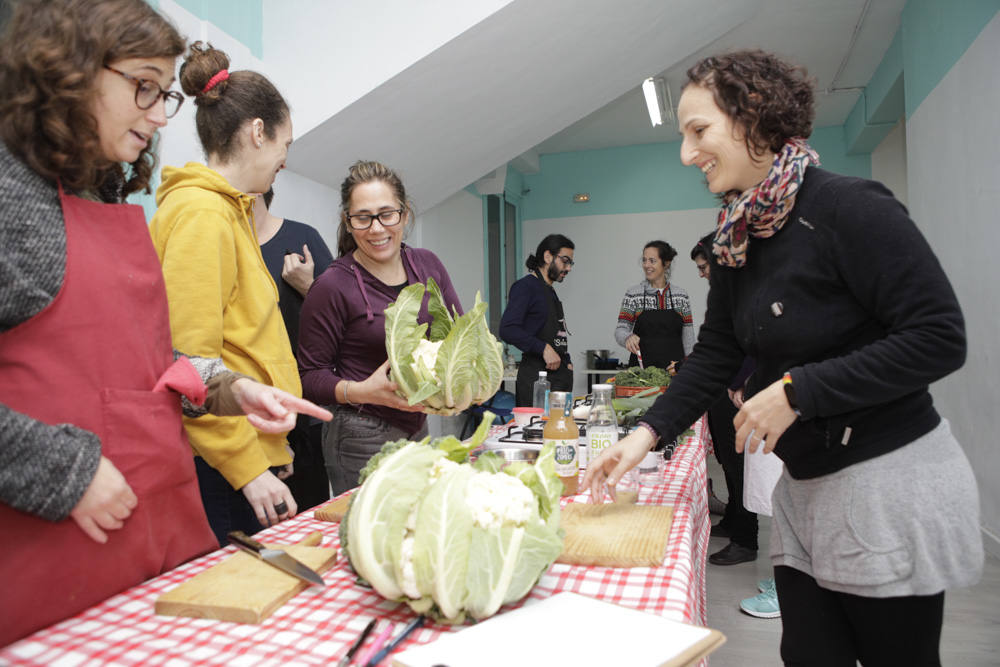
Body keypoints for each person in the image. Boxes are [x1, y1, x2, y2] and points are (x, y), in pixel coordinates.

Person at [584, 50, 982, 665]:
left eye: (698, 132)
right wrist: (645, 434)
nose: (688, 154)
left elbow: (938, 335)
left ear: (755, 120)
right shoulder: (740, 233)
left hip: (886, 481)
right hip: (809, 487)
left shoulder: (850, 208)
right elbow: (716, 353)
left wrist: (798, 390)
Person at [0, 0, 329, 645]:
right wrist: (64, 471)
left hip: (151, 533)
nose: (158, 113)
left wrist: (234, 391)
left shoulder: (101, 196)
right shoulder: (14, 203)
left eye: (164, 93)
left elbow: (158, 361)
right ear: (67, 73)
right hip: (56, 554)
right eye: (143, 87)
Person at [149, 42, 307, 545]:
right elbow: (189, 365)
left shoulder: (228, 211)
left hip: (242, 456)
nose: (284, 159)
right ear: (258, 132)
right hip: (218, 466)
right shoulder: (204, 215)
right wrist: (246, 467)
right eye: (285, 143)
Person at [298, 160, 463, 496]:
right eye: (363, 217)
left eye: (387, 214)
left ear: (404, 214)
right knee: (374, 539)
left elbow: (458, 335)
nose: (376, 228)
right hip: (359, 433)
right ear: (348, 221)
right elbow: (307, 376)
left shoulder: (428, 264)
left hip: (418, 423)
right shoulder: (332, 285)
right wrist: (361, 391)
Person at [255, 188, 334, 510]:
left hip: (304, 411)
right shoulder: (221, 242)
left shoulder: (302, 238)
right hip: (242, 410)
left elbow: (341, 320)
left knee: (305, 515)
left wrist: (309, 286)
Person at [690, 236, 760, 567]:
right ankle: (733, 517)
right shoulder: (726, 296)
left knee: (739, 465)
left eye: (705, 268)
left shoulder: (747, 294)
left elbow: (749, 346)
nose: (703, 274)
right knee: (727, 460)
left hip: (738, 392)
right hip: (724, 389)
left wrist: (739, 383)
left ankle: (746, 539)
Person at [500, 234, 575, 406]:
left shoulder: (550, 290)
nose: (568, 268)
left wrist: (567, 363)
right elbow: (507, 329)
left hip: (559, 379)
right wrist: (544, 348)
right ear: (548, 257)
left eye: (571, 263)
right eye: (565, 261)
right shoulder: (525, 287)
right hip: (536, 380)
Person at [614, 240, 694, 370]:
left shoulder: (681, 296)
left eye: (652, 261)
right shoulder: (634, 294)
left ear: (666, 263)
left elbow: (688, 339)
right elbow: (620, 330)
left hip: (674, 372)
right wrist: (628, 337)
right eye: (644, 260)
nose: (646, 265)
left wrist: (689, 367)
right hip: (642, 373)